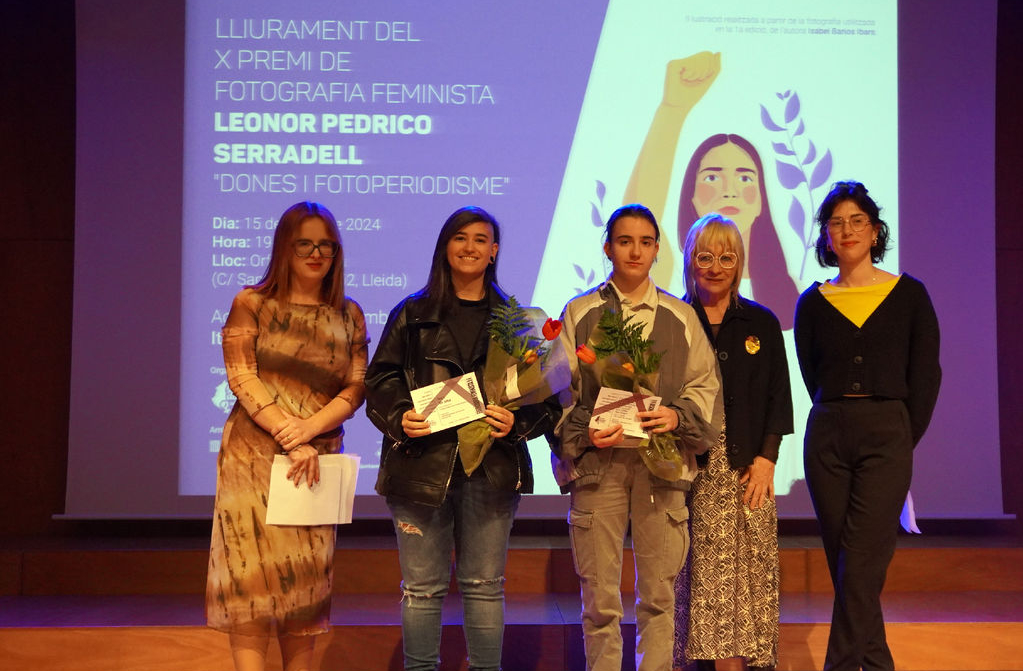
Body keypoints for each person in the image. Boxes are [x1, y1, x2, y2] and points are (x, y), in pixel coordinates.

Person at [365, 206, 560, 671]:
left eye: (480, 239)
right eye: (460, 238)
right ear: (445, 246)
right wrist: (400, 416)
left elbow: (547, 399)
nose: (469, 247)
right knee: (422, 590)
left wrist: (518, 423)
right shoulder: (412, 313)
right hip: (421, 466)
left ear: (494, 251)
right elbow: (380, 381)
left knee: (484, 586)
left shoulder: (516, 320)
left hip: (491, 468)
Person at [553, 203, 721, 671]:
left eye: (646, 242)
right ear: (607, 247)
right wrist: (586, 428)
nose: (635, 250)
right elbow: (556, 390)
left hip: (662, 468)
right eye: (625, 240)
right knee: (600, 602)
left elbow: (704, 386)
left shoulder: (681, 316)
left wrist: (675, 415)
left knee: (658, 598)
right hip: (598, 467)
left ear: (657, 250)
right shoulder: (580, 312)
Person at [206, 200, 368, 671]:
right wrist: (289, 434)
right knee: (249, 582)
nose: (316, 254)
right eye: (305, 244)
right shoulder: (251, 303)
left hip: (316, 457)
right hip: (252, 458)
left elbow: (356, 385)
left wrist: (309, 431)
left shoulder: (349, 313)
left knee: (304, 587)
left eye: (326, 246)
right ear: (284, 248)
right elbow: (241, 376)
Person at [793, 181, 941, 670]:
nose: (847, 230)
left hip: (888, 434)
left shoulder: (909, 295)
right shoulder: (812, 303)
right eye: (836, 222)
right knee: (848, 567)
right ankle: (877, 664)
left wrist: (900, 437)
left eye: (857, 221)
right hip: (829, 436)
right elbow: (812, 374)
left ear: (876, 231)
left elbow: (925, 376)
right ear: (826, 237)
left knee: (859, 562)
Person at [673, 214, 793, 671]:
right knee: (695, 573)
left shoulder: (761, 321)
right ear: (690, 260)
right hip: (687, 465)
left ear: (740, 263)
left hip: (748, 469)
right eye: (705, 256)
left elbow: (778, 397)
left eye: (727, 257)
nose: (716, 266)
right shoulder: (675, 318)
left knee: (747, 576)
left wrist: (767, 458)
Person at [624, 51, 800, 320]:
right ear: (690, 197)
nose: (729, 190)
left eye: (744, 178)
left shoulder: (787, 295)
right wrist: (673, 110)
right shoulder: (670, 277)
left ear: (760, 201)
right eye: (712, 177)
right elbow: (637, 214)